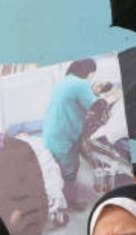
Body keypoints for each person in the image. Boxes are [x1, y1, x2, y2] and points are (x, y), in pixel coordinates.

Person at [42, 58, 99, 188]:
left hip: (50, 132)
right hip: (64, 135)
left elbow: (74, 102)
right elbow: (95, 106)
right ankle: (71, 202)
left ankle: (64, 197)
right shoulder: (82, 84)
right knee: (70, 170)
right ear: (88, 71)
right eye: (92, 73)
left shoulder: (65, 81)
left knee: (59, 169)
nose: (92, 77)